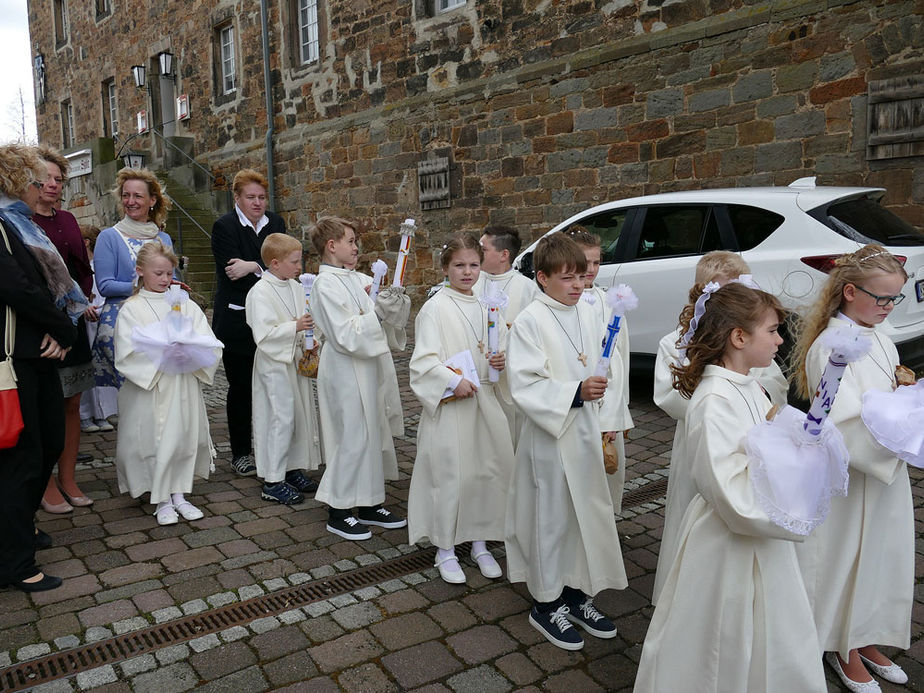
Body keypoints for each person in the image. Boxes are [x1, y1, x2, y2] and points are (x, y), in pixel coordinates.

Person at [634, 282, 830, 692]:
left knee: (771, 630)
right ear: (739, 337)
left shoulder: (750, 385)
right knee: (721, 639)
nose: (780, 340)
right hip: (728, 541)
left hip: (763, 540)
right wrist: (789, 499)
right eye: (773, 331)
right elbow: (728, 486)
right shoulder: (713, 401)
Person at [791, 244, 913, 690]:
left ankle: (862, 636)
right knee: (845, 559)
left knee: (878, 556)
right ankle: (840, 645)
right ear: (847, 291)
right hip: (852, 475)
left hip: (884, 468)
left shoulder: (878, 332)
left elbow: (884, 389)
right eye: (880, 298)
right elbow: (836, 419)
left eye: (894, 298)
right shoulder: (833, 344)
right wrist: (900, 435)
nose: (888, 308)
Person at [505, 233, 625, 651]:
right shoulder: (530, 321)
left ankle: (575, 592)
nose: (578, 285)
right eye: (567, 278)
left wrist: (605, 411)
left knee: (583, 516)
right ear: (541, 278)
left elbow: (602, 365)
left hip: (586, 433)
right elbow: (523, 383)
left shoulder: (588, 312)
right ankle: (546, 602)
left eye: (582, 276)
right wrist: (575, 392)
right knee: (551, 518)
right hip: (550, 439)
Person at [650, 251, 787, 605]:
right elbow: (668, 395)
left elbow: (773, 382)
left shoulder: (754, 342)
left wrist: (757, 394)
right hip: (707, 438)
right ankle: (681, 593)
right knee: (694, 513)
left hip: (751, 432)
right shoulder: (675, 341)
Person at [408, 233, 514, 584]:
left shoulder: (488, 306)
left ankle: (480, 541)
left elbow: (497, 347)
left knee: (484, 471)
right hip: (453, 406)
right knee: (451, 475)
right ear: (445, 268)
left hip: (484, 401)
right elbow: (423, 362)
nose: (467, 272)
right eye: (459, 265)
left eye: (473, 265)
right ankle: (445, 547)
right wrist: (453, 382)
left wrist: (501, 360)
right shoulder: (436, 308)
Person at [0, 143, 82, 591]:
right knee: (21, 458)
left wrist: (60, 329)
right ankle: (15, 562)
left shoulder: (23, 226)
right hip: (15, 360)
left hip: (39, 353)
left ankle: (19, 530)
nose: (44, 189)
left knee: (47, 443)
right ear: (16, 183)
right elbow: (17, 290)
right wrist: (65, 327)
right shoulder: (2, 225)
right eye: (36, 181)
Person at [308, 216, 406, 540]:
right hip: (344, 368)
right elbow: (344, 332)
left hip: (367, 366)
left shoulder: (353, 278)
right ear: (331, 246)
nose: (356, 247)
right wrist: (377, 313)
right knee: (351, 435)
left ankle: (368, 502)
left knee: (372, 432)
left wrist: (392, 304)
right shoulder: (325, 284)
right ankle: (338, 509)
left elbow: (379, 318)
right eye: (350, 241)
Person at [114, 240, 221, 526]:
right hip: (152, 387)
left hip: (182, 382)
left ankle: (179, 494)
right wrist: (162, 355)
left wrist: (191, 351)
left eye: (168, 273)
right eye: (157, 273)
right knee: (155, 440)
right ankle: (161, 499)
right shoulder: (132, 309)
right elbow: (126, 352)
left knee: (183, 437)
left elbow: (207, 339)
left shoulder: (183, 304)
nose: (164, 279)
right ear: (140, 271)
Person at [31, 147, 97, 513]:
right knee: (45, 407)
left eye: (59, 179)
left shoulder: (69, 220)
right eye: (47, 177)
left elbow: (81, 270)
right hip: (40, 328)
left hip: (70, 324)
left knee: (72, 403)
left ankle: (67, 477)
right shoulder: (19, 221)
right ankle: (43, 483)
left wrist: (81, 302)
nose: (54, 184)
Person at [211, 169, 285, 478]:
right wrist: (269, 263)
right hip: (236, 320)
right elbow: (233, 272)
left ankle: (275, 448)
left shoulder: (276, 223)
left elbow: (289, 261)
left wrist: (253, 263)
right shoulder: (224, 226)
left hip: (272, 318)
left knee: (273, 386)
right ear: (237, 198)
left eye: (261, 197)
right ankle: (241, 452)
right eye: (250, 197)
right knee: (241, 388)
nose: (257, 203)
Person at [245, 233, 321, 505]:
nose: (300, 266)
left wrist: (312, 341)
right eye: (295, 261)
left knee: (299, 416)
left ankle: (292, 467)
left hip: (294, 359)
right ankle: (273, 480)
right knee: (280, 418)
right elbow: (263, 334)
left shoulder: (296, 286)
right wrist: (295, 327)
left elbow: (310, 318)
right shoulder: (260, 292)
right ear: (274, 263)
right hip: (274, 364)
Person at [567, 227, 633, 514]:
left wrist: (619, 412)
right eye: (585, 262)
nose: (591, 269)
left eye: (596, 262)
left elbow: (621, 357)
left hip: (610, 399)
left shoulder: (611, 301)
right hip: (579, 399)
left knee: (607, 476)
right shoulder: (566, 301)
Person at [92, 168, 174, 389]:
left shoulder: (163, 238)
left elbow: (169, 281)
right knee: (134, 391)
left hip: (158, 319)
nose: (131, 201)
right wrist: (144, 286)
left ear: (152, 200)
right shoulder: (109, 237)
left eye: (138, 196)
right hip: (122, 323)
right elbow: (105, 285)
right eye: (126, 195)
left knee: (163, 389)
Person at [472, 225, 538, 444]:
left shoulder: (528, 289)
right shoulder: (471, 282)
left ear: (504, 255)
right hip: (476, 375)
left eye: (483, 248)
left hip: (511, 380)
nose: (476, 253)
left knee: (511, 439)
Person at [78, 225, 117, 432]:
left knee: (103, 366)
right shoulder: (81, 266)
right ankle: (86, 413)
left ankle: (103, 412)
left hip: (102, 318)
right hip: (86, 321)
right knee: (87, 367)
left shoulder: (100, 265)